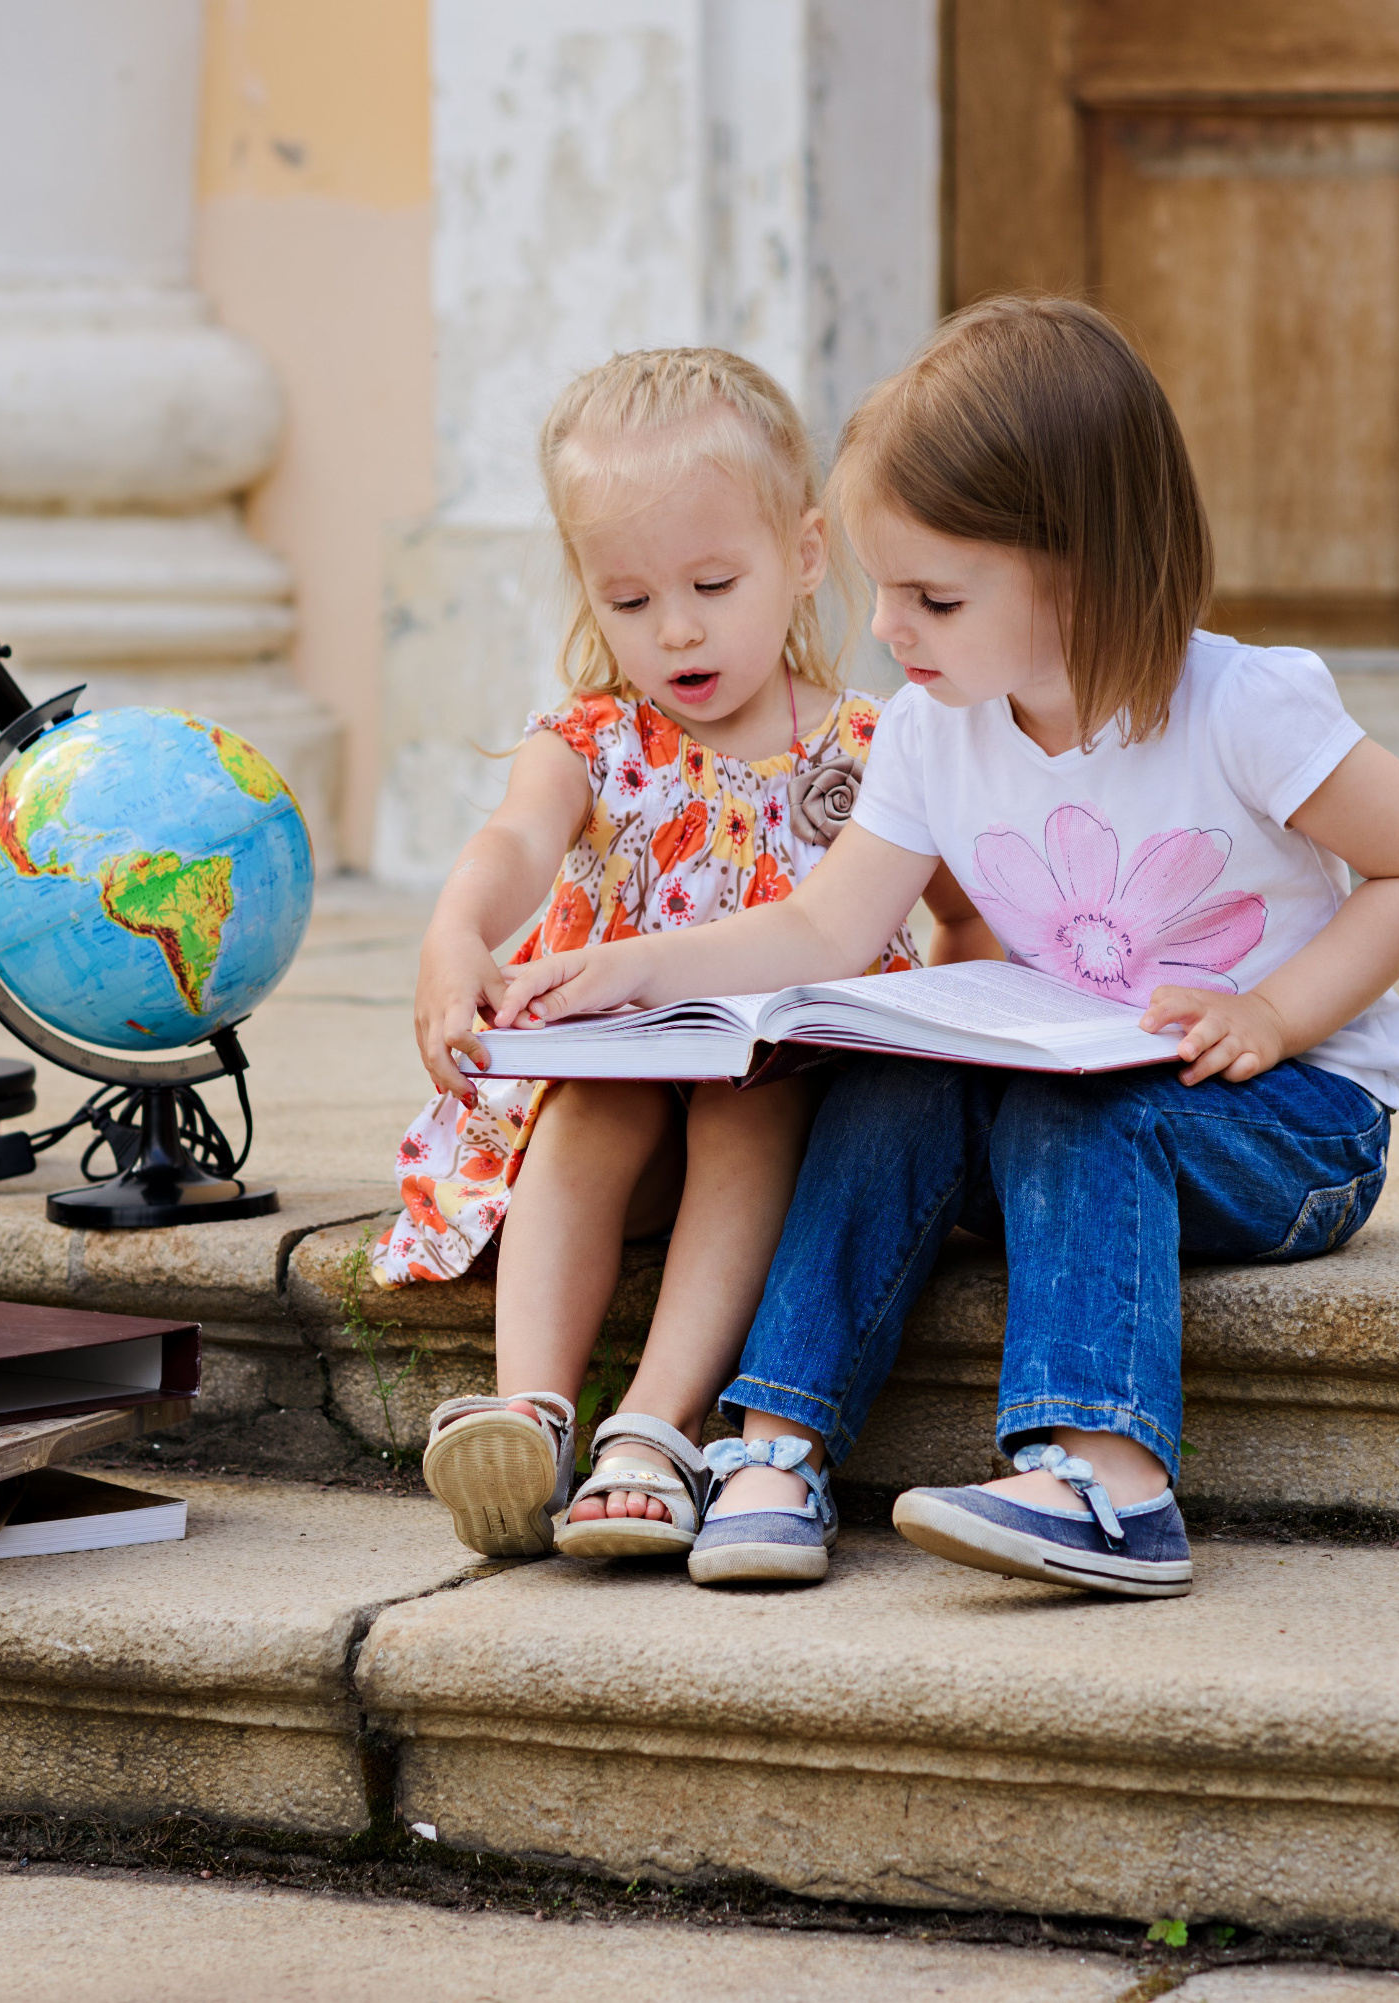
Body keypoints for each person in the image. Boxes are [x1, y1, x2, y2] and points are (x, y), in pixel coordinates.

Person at [495, 296, 1399, 1598]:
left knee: (1095, 1113)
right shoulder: (929, 728)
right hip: (1062, 1085)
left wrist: (1283, 1012)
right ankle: (773, 1442)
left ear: (1079, 565)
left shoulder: (1242, 708)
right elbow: (828, 925)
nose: (889, 628)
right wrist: (637, 967)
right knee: (881, 1072)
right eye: (882, 587)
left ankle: (1110, 1480)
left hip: (1288, 1120)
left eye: (934, 595)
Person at [370, 346, 992, 1569]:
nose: (678, 629)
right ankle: (530, 1412)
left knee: (745, 1107)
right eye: (630, 598)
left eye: (714, 580)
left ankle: (653, 1428)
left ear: (807, 556)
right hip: (613, 1110)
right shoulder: (594, 737)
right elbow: (513, 843)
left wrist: (940, 1006)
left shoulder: (879, 746)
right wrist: (455, 936)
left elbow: (970, 917)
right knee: (597, 1101)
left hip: (783, 1121)